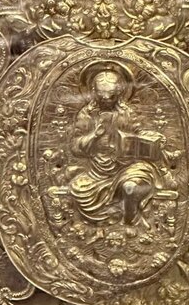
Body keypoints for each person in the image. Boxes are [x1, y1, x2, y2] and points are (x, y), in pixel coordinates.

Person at [68, 65, 165, 228]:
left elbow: (139, 133)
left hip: (128, 167)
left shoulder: (127, 113)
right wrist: (94, 136)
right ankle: (103, 226)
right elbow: (75, 147)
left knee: (130, 187)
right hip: (97, 173)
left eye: (111, 96)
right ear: (94, 92)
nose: (106, 100)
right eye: (102, 96)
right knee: (78, 190)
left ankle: (130, 221)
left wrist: (152, 139)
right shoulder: (87, 115)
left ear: (119, 92)